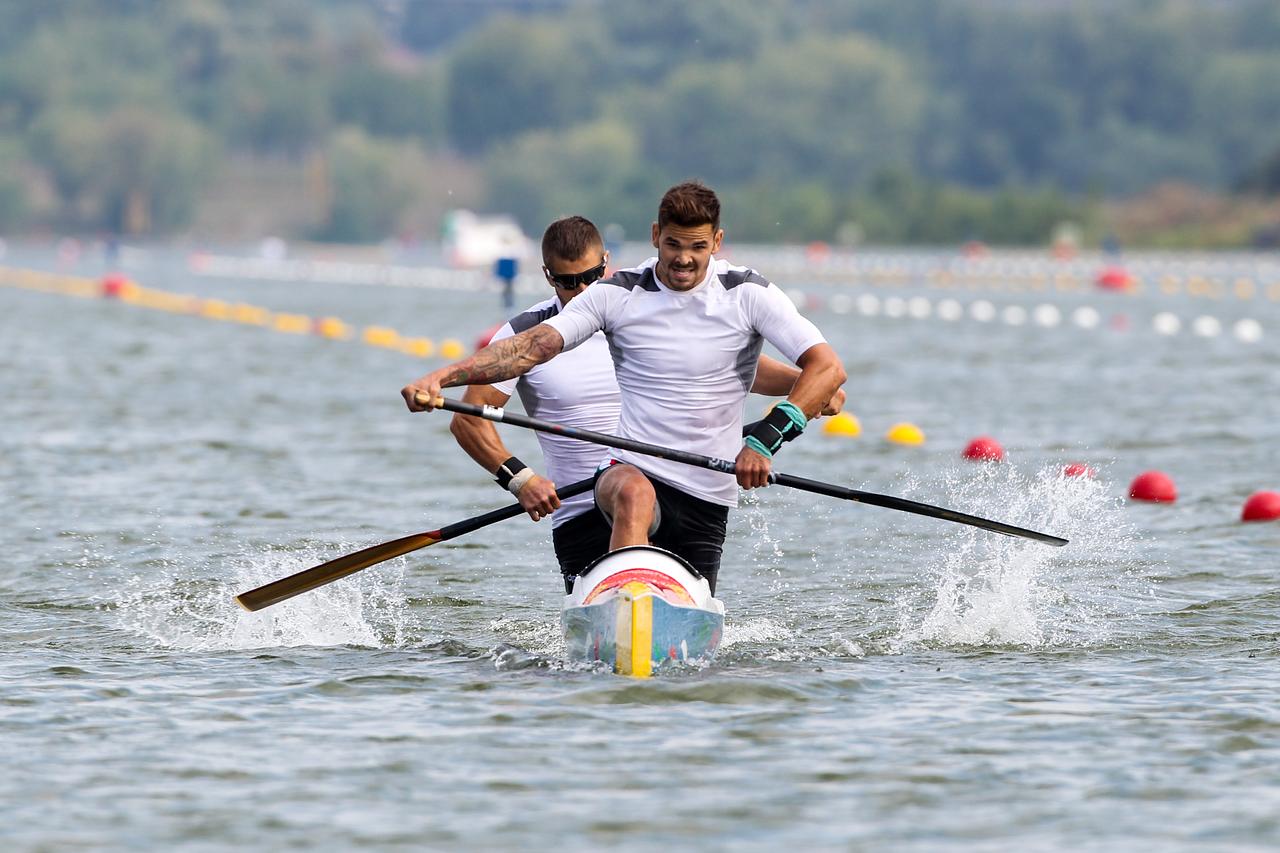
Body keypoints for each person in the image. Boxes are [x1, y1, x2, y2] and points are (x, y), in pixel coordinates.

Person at [405, 182, 847, 593]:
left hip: (705, 492)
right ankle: (623, 600)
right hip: (619, 480)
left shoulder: (748, 293)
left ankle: (642, 609)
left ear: (717, 242)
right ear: (655, 236)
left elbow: (821, 368)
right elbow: (533, 348)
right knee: (634, 493)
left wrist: (776, 428)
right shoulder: (615, 295)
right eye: (673, 244)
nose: (684, 258)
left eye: (697, 246)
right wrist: (443, 377)